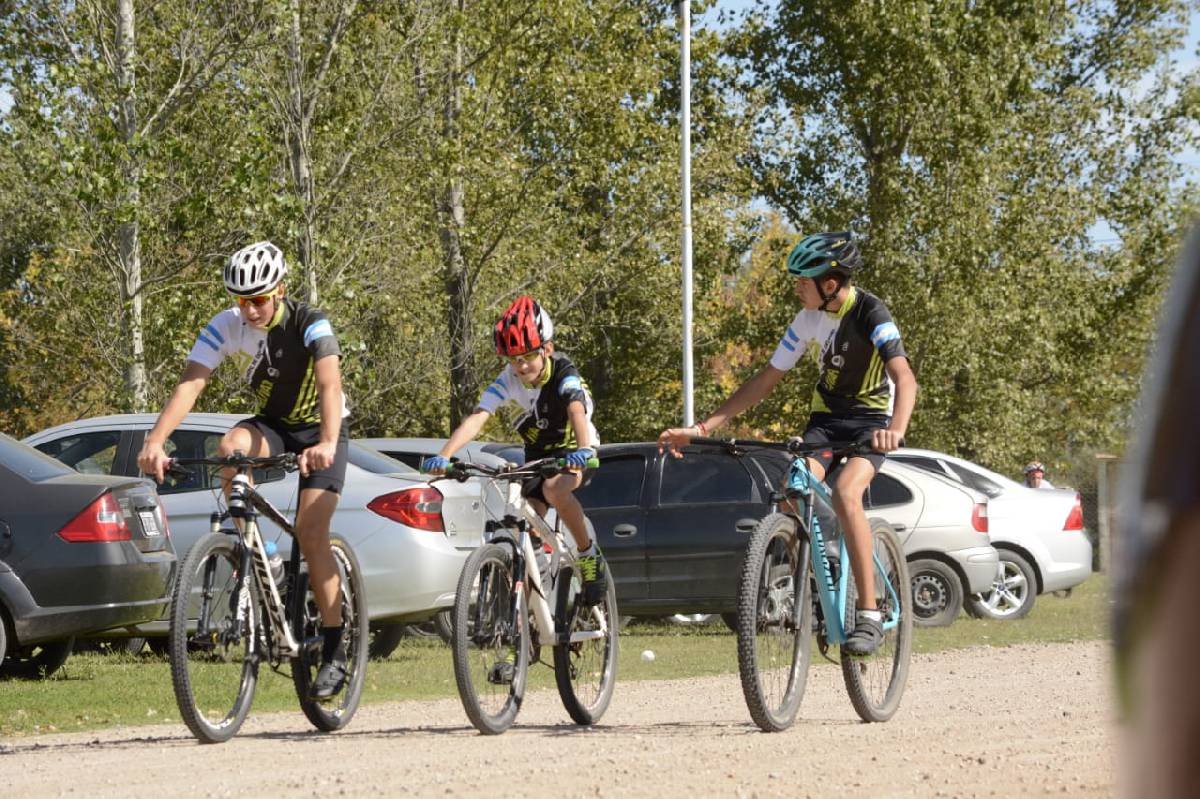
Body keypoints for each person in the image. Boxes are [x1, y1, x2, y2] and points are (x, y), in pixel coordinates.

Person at [658, 231, 917, 656]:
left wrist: (896, 428)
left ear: (829, 283)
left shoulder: (872, 313)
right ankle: (820, 579)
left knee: (846, 491)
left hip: (871, 423)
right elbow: (765, 381)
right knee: (792, 494)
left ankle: (869, 613)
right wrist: (702, 427)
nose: (796, 287)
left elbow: (904, 378)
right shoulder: (806, 319)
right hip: (826, 421)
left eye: (802, 280)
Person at [136, 241, 352, 698]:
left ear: (280, 290)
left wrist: (328, 442)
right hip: (274, 425)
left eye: (258, 299)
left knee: (311, 531)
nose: (249, 310)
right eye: (241, 300)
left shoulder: (311, 323)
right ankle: (261, 554)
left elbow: (330, 385)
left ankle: (335, 647)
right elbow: (190, 385)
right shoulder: (226, 326)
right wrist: (155, 441)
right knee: (230, 447)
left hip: (322, 430)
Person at [421, 295, 607, 605]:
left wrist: (584, 449)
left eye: (527, 357)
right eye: (512, 359)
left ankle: (588, 554)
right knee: (521, 515)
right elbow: (479, 416)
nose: (520, 367)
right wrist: (445, 454)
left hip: (577, 446)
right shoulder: (509, 378)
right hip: (538, 452)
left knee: (555, 490)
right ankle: (538, 581)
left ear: (546, 349)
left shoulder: (564, 372)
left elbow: (576, 410)